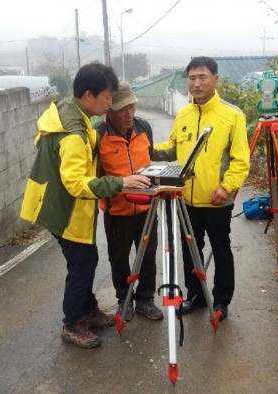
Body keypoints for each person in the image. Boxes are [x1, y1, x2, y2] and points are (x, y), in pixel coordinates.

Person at [20, 63, 151, 349]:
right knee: (82, 264)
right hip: (62, 208)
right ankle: (72, 322)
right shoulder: (73, 134)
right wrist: (121, 183)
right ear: (89, 95)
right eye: (107, 98)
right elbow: (76, 184)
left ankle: (88, 310)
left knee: (86, 259)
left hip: (62, 203)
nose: (109, 104)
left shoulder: (72, 113)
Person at [153, 56, 250, 321]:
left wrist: (227, 186)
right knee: (188, 250)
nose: (196, 84)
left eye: (202, 77)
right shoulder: (184, 113)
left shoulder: (232, 115)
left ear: (215, 79)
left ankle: (221, 301)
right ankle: (195, 294)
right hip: (185, 200)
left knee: (221, 249)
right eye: (192, 78)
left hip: (217, 200)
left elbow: (241, 160)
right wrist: (144, 148)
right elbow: (172, 147)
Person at [95, 82, 164, 322]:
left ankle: (146, 299)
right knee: (119, 258)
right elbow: (94, 177)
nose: (129, 114)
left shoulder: (144, 127)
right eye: (123, 108)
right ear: (108, 110)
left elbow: (151, 159)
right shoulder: (97, 135)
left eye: (132, 107)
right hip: (117, 210)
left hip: (147, 208)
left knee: (147, 254)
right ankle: (124, 299)